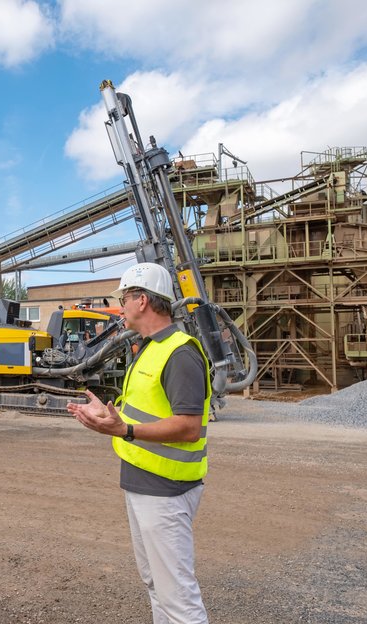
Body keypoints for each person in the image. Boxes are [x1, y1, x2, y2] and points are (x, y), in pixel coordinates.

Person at [67, 263, 212, 624]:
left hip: (166, 490)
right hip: (142, 483)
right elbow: (143, 412)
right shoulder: (148, 348)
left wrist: (125, 431)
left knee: (177, 596)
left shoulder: (179, 353)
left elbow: (189, 426)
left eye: (125, 298)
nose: (122, 306)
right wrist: (110, 416)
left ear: (143, 300)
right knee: (156, 585)